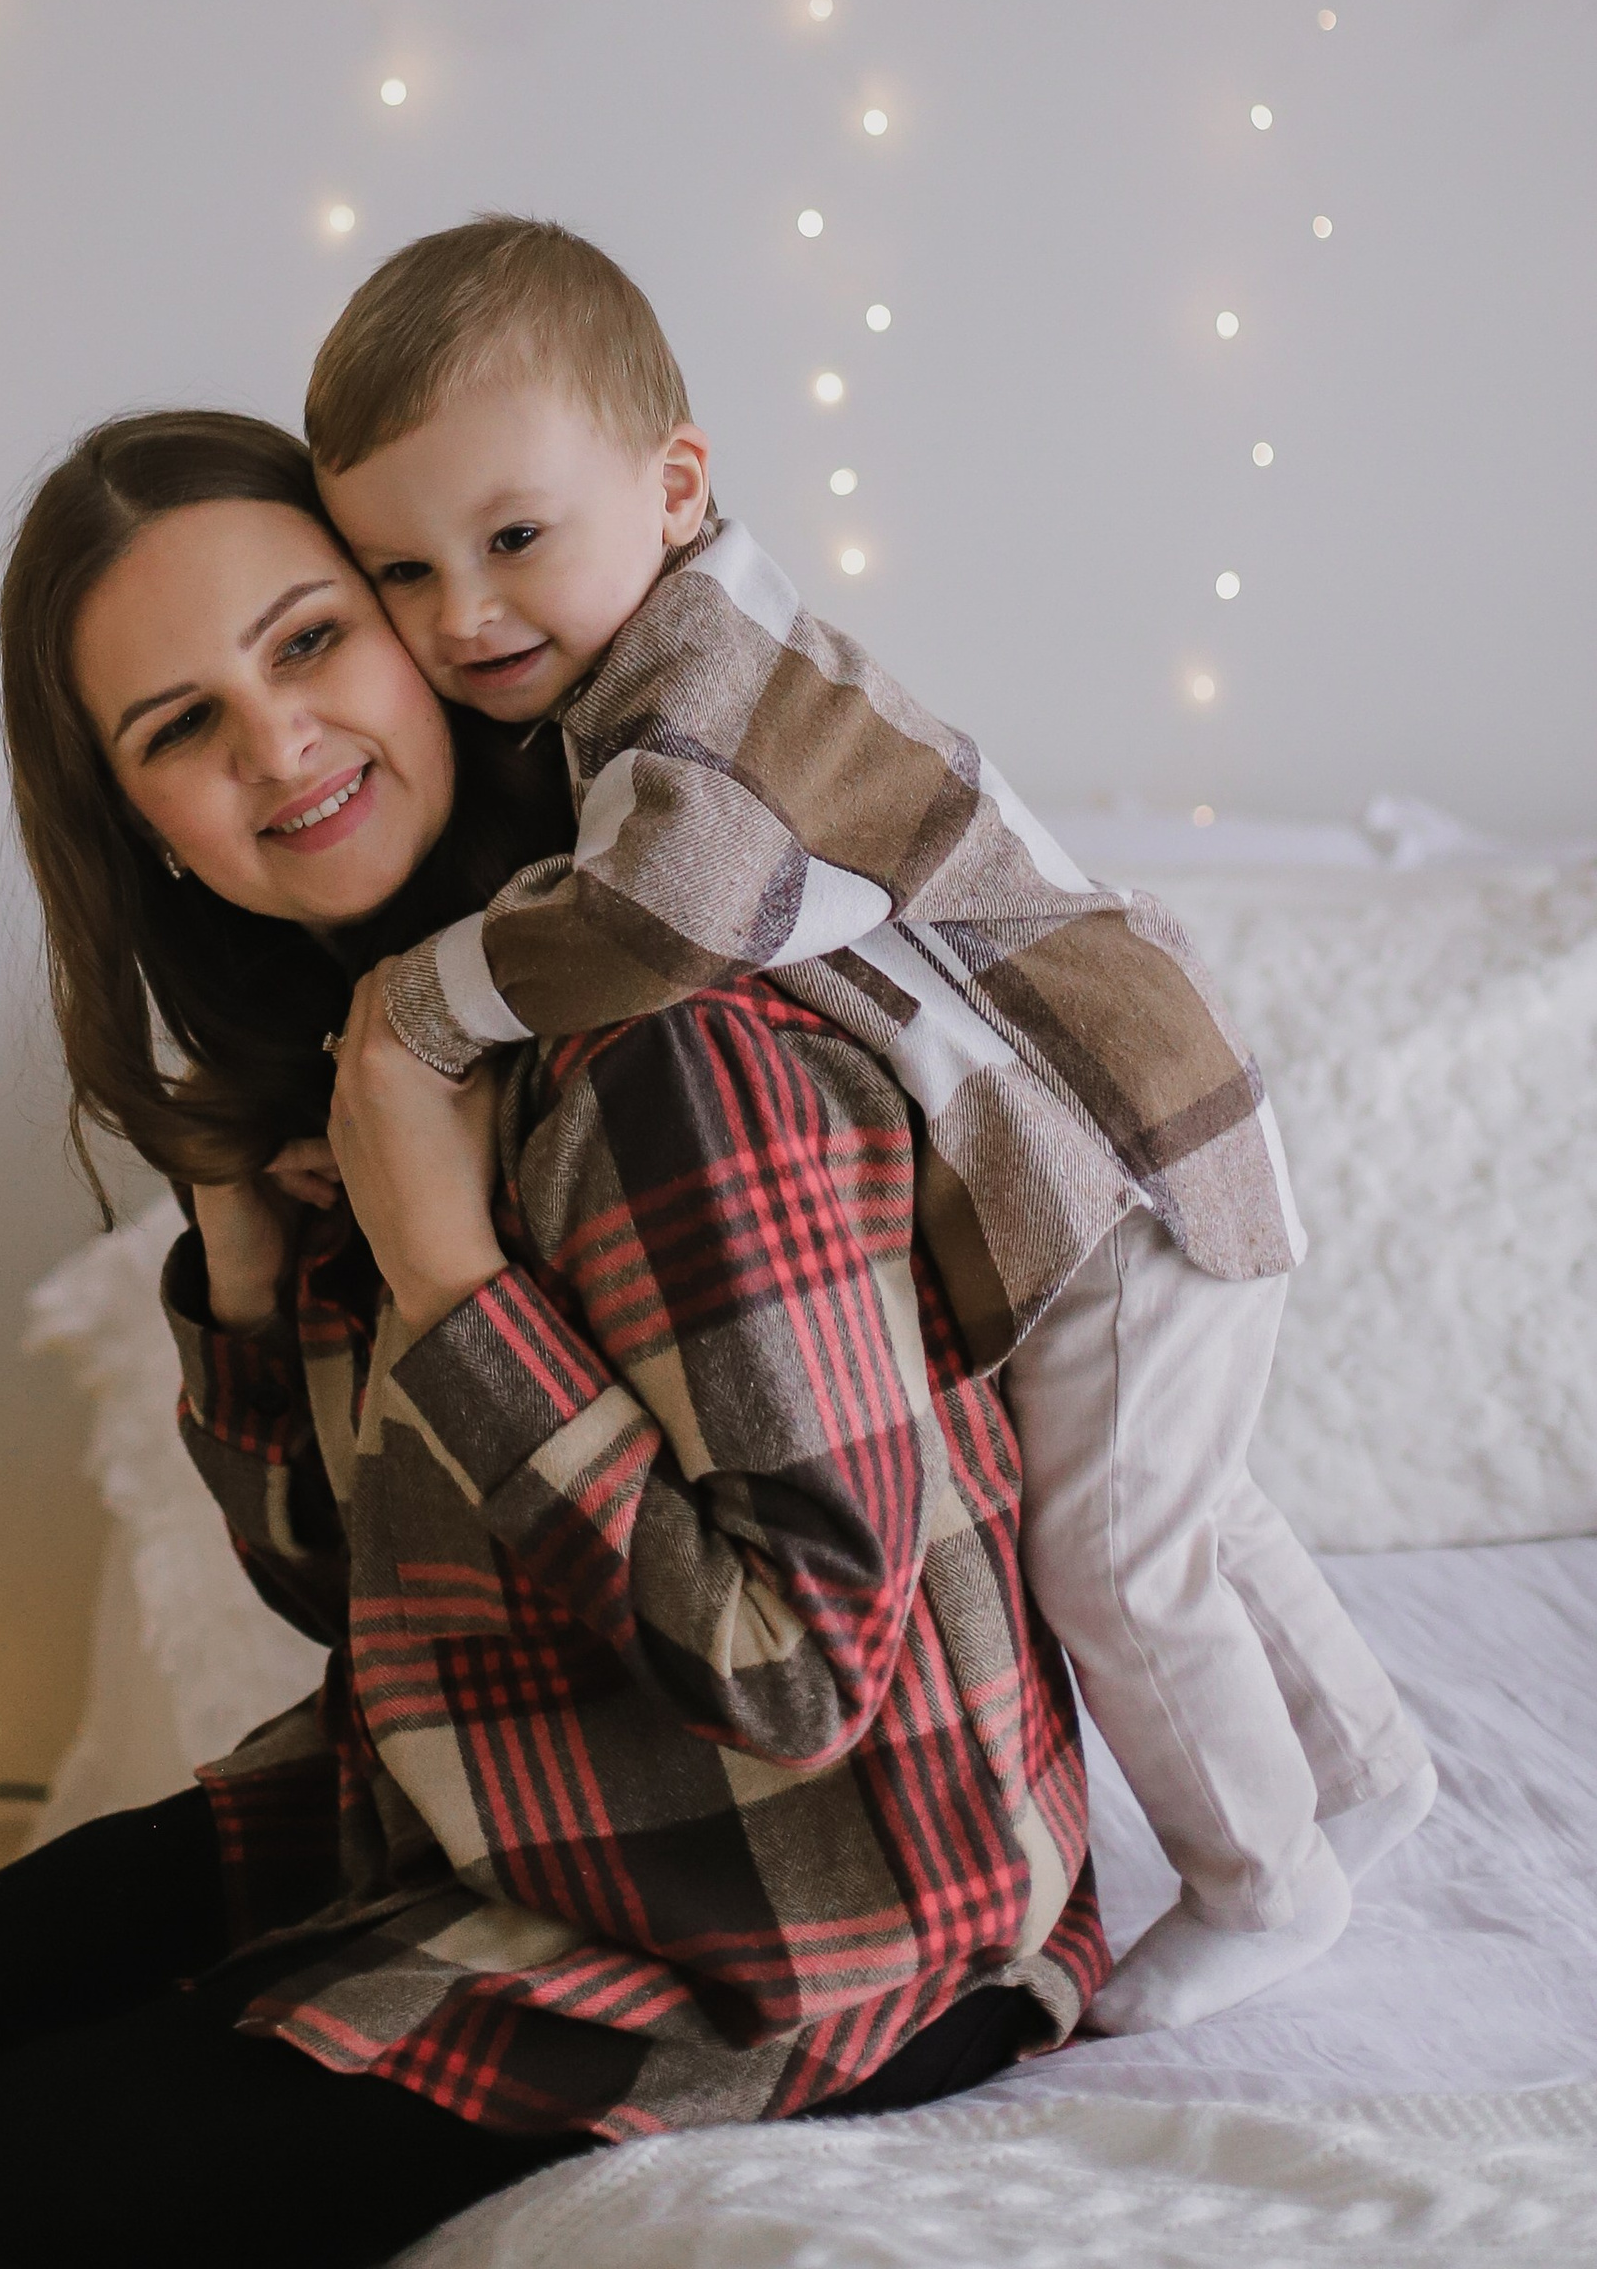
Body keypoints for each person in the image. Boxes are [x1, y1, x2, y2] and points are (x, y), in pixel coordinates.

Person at [0, 408, 1101, 2269]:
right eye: (180, 728)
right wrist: (250, 1257)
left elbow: (800, 1670)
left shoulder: (659, 1040)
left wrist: (447, 1279)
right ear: (142, 828)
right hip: (487, 1800)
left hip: (827, 1910)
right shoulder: (379, 1040)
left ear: (423, 637)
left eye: (308, 641)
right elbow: (350, 1593)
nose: (277, 748)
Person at [303, 214, 1434, 2038]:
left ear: (674, 485)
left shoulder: (709, 699)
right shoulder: (653, 685)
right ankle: (1366, 1774)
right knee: (1183, 1508)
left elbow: (674, 914)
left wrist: (422, 1005)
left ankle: (1265, 1881)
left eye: (512, 538)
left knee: (1116, 1557)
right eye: (403, 572)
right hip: (1118, 1144)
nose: (461, 618)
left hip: (1110, 1164)